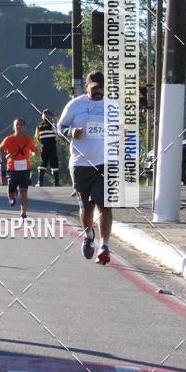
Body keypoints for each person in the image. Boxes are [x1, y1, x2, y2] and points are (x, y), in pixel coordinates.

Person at [58, 70, 111, 264]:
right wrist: (71, 131)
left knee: (104, 204)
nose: (98, 91)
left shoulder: (111, 106)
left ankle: (105, 245)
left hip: (105, 162)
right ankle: (89, 235)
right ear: (87, 86)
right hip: (80, 163)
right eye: (94, 87)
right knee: (86, 207)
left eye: (101, 87)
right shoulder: (75, 105)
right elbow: (59, 127)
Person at [0, 119, 36, 219]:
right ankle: (12, 196)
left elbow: (34, 150)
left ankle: (23, 214)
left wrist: (35, 153)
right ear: (13, 127)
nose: (19, 126)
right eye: (17, 125)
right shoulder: (9, 139)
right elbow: (0, 148)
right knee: (11, 191)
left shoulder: (28, 140)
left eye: (21, 125)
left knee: (24, 192)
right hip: (12, 170)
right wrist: (1, 156)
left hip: (25, 170)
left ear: (25, 127)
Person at [35, 109, 60, 187]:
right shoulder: (52, 124)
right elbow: (57, 132)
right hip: (51, 146)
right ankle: (55, 183)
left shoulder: (39, 126)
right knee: (53, 162)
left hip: (44, 146)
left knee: (43, 163)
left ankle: (40, 182)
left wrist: (40, 145)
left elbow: (37, 137)